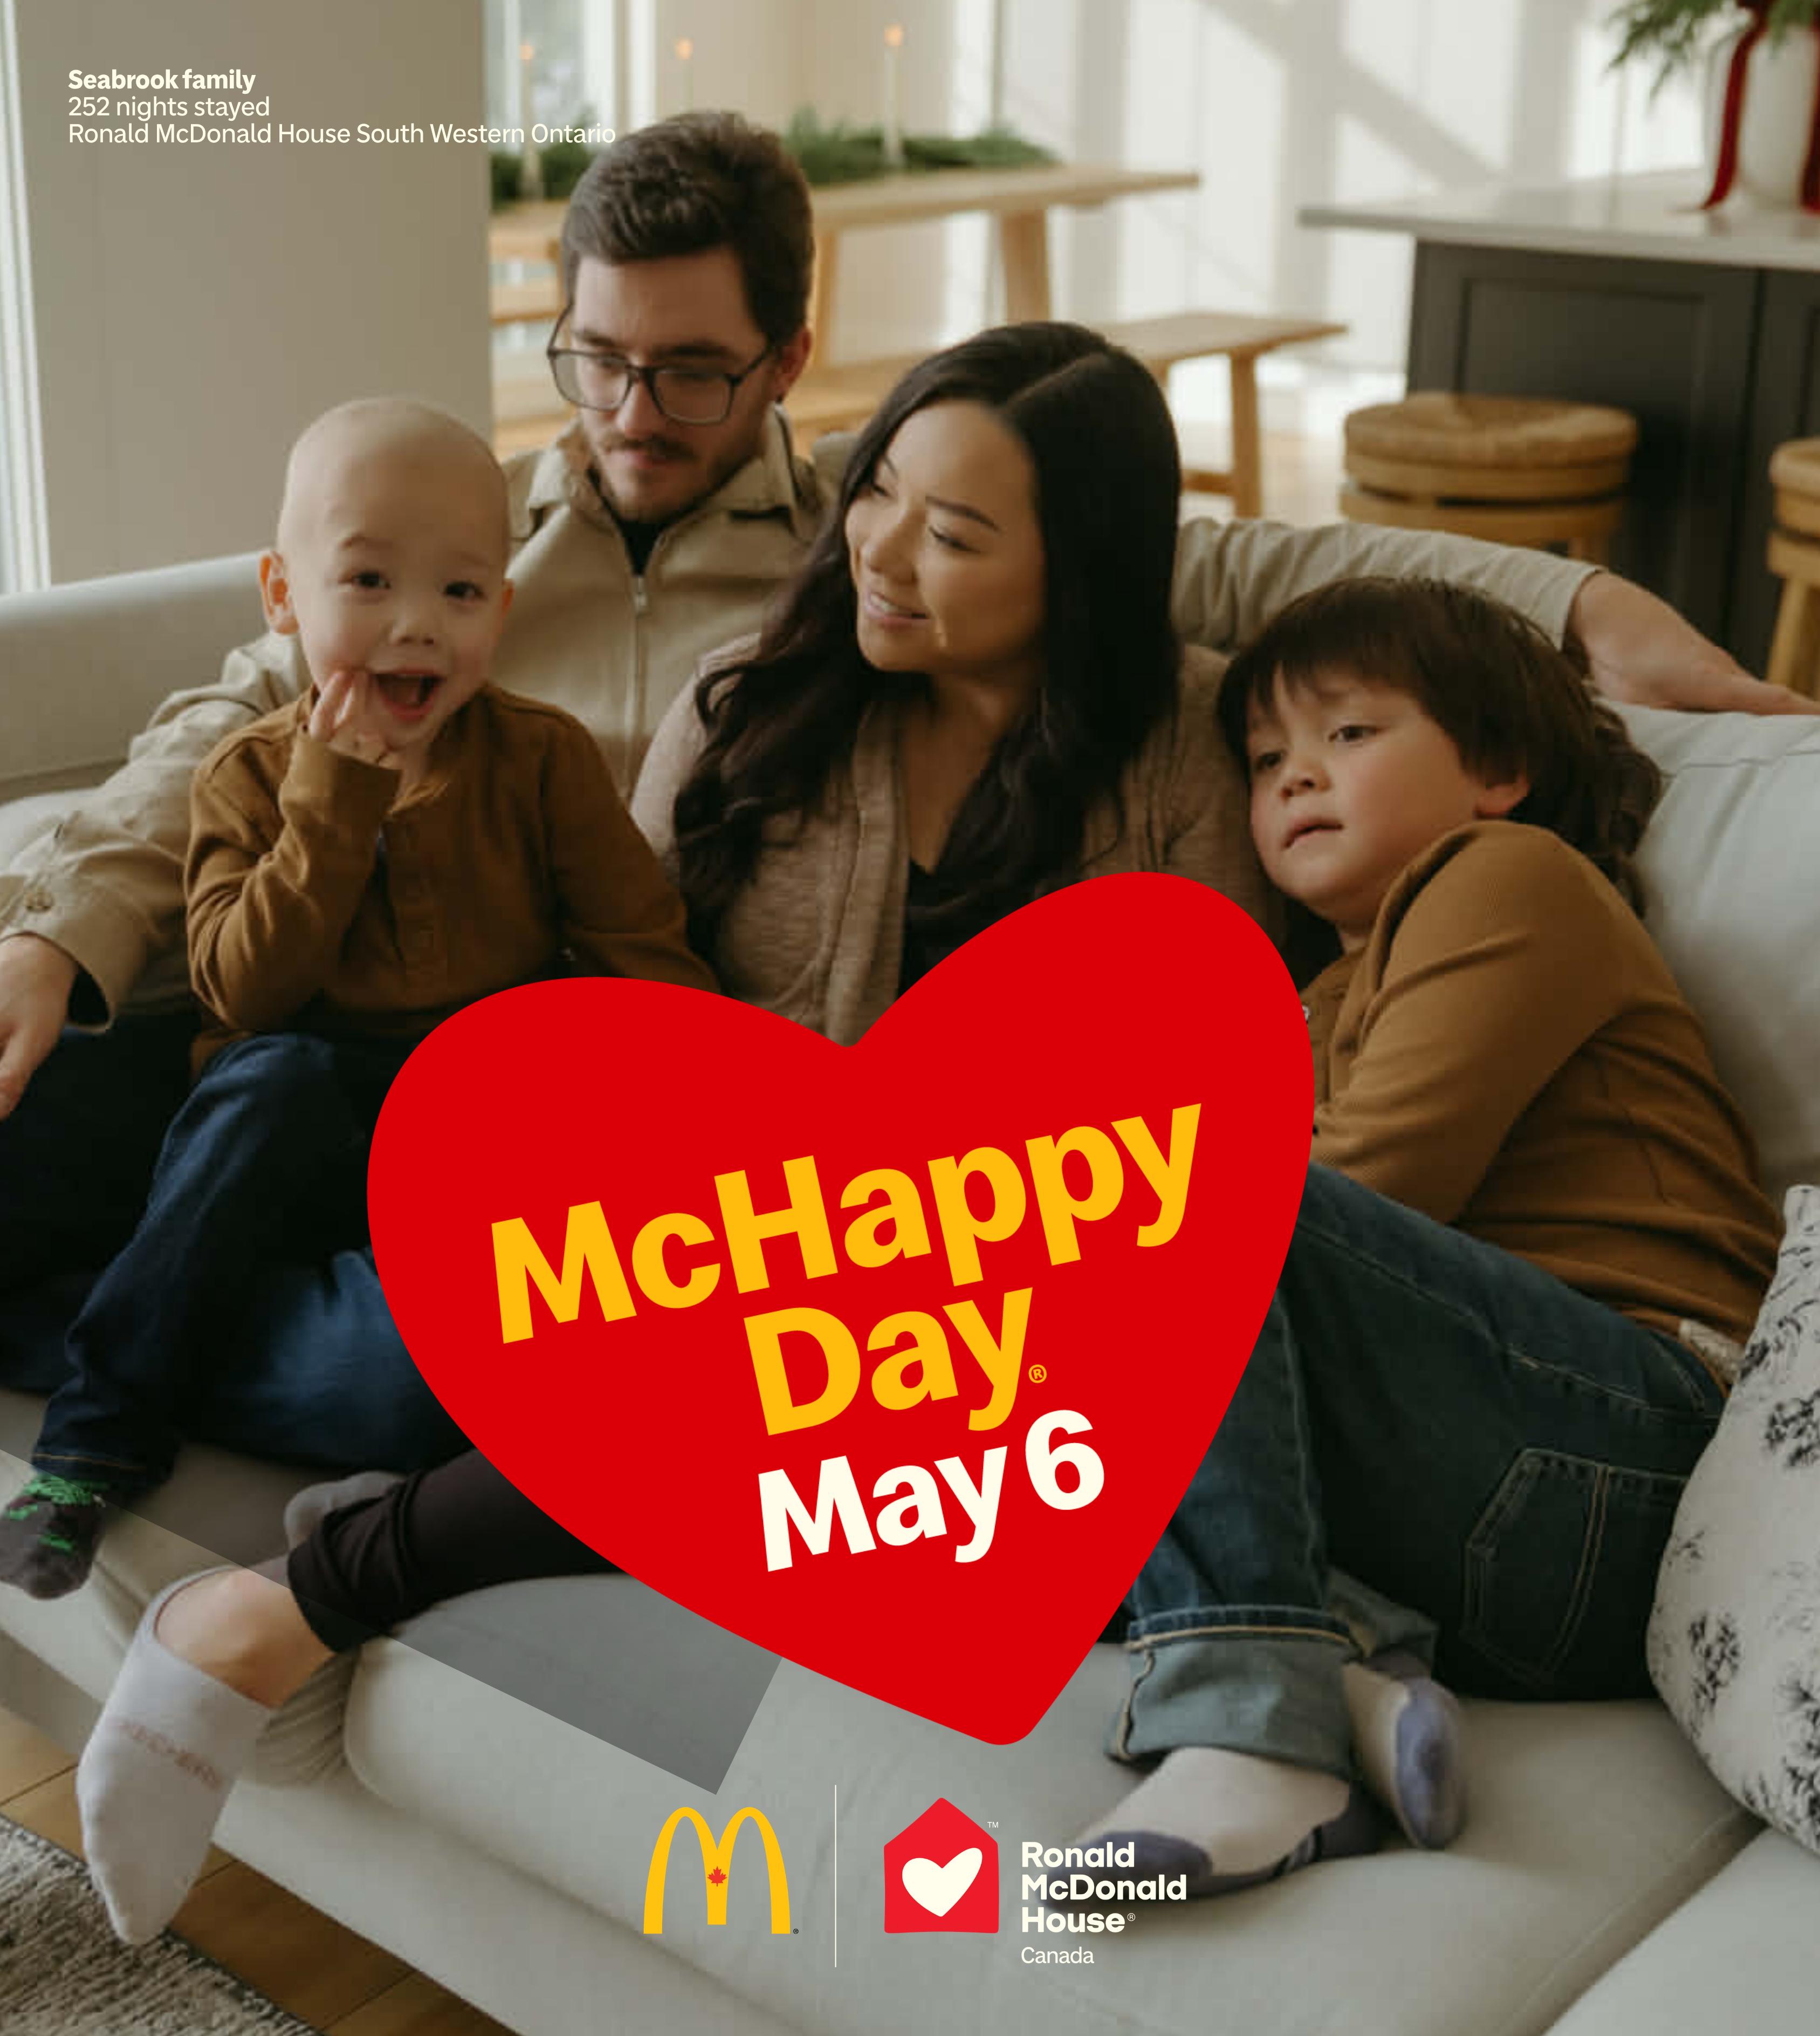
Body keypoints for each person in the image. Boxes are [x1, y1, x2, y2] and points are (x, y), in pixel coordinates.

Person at [0, 110, 1798, 1475]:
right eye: (597, 354)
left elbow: (1250, 564)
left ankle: (137, 1339)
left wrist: (1576, 595)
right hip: (360, 1051)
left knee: (402, 1377)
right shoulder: (457, 544)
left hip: (632, 1145)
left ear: (785, 363)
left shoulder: (881, 535)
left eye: (692, 367)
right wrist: (56, 940)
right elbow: (220, 719)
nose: (632, 407)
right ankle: (142, 1305)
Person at [66, 322, 1414, 1943]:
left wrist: (1588, 602)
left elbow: (1190, 1099)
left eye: (959, 533)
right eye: (880, 494)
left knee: (539, 1379)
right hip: (721, 1233)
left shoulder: (1195, 751)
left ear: (1090, 566)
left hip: (983, 1289)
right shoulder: (755, 704)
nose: (886, 552)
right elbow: (611, 1001)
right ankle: (1317, 1659)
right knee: (424, 1339)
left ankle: (282, 1600)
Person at [1041, 574, 1782, 1901]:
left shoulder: (1510, 875)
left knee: (1164, 1196)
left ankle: (1255, 1722)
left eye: (1349, 735)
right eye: (1265, 758)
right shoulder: (1305, 995)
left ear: (1496, 768)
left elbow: (1383, 1181)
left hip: (1639, 1451)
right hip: (1493, 1538)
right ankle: (1347, 1675)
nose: (1293, 779)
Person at [0, 397, 713, 1600]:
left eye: (459, 594)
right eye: (371, 581)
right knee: (268, 1074)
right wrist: (330, 809)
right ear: (283, 596)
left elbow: (648, 960)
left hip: (455, 1161)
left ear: (503, 606)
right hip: (274, 1139)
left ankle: (122, 1329)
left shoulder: (544, 761)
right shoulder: (251, 772)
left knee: (423, 1379)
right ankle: (95, 1441)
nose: (414, 628)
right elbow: (245, 988)